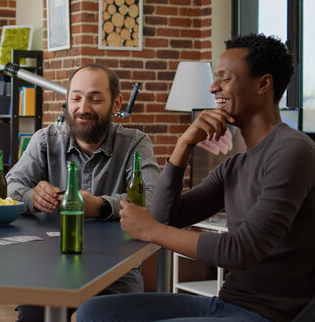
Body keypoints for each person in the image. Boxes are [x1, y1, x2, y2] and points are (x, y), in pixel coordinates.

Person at [77, 34, 315, 322]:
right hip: (226, 304)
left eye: (225, 79)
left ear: (263, 84)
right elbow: (167, 217)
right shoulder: (235, 165)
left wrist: (149, 230)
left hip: (269, 315)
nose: (214, 87)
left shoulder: (293, 150)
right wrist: (183, 146)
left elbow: (242, 250)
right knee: (92, 312)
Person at [6, 64, 161, 321]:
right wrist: (33, 196)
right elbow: (10, 187)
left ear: (116, 102)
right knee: (33, 316)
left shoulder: (136, 143)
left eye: (96, 99)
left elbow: (152, 200)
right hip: (50, 263)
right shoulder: (45, 140)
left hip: (117, 268)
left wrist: (100, 206)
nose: (83, 108)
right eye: (76, 98)